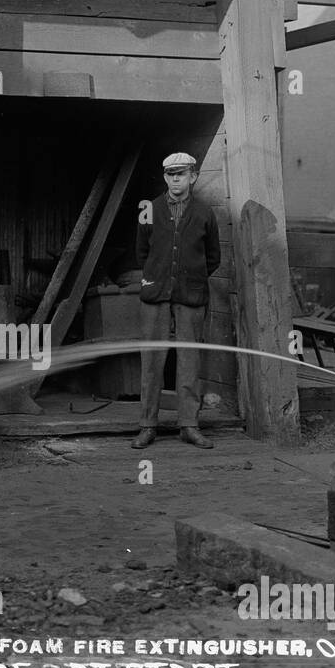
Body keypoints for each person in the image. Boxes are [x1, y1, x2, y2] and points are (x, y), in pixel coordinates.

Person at [131, 152, 221, 450]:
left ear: (193, 176)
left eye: (181, 174)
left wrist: (188, 278)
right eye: (170, 174)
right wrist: (159, 277)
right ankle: (147, 426)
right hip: (155, 294)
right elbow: (142, 253)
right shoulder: (149, 209)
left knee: (189, 361)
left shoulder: (205, 213)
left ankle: (189, 426)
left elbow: (213, 258)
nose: (175, 179)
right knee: (152, 360)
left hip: (190, 295)